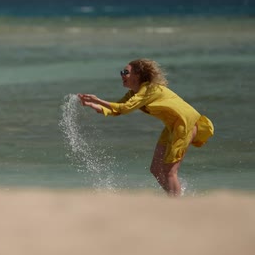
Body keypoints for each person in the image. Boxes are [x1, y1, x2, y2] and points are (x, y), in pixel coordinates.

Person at [78, 58, 214, 197]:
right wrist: (92, 105)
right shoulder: (134, 93)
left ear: (137, 75)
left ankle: (176, 203)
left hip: (185, 124)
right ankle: (173, 195)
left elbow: (125, 108)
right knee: (155, 169)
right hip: (172, 126)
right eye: (121, 72)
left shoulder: (149, 89)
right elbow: (117, 109)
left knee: (169, 171)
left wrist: (97, 99)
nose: (122, 75)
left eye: (126, 72)